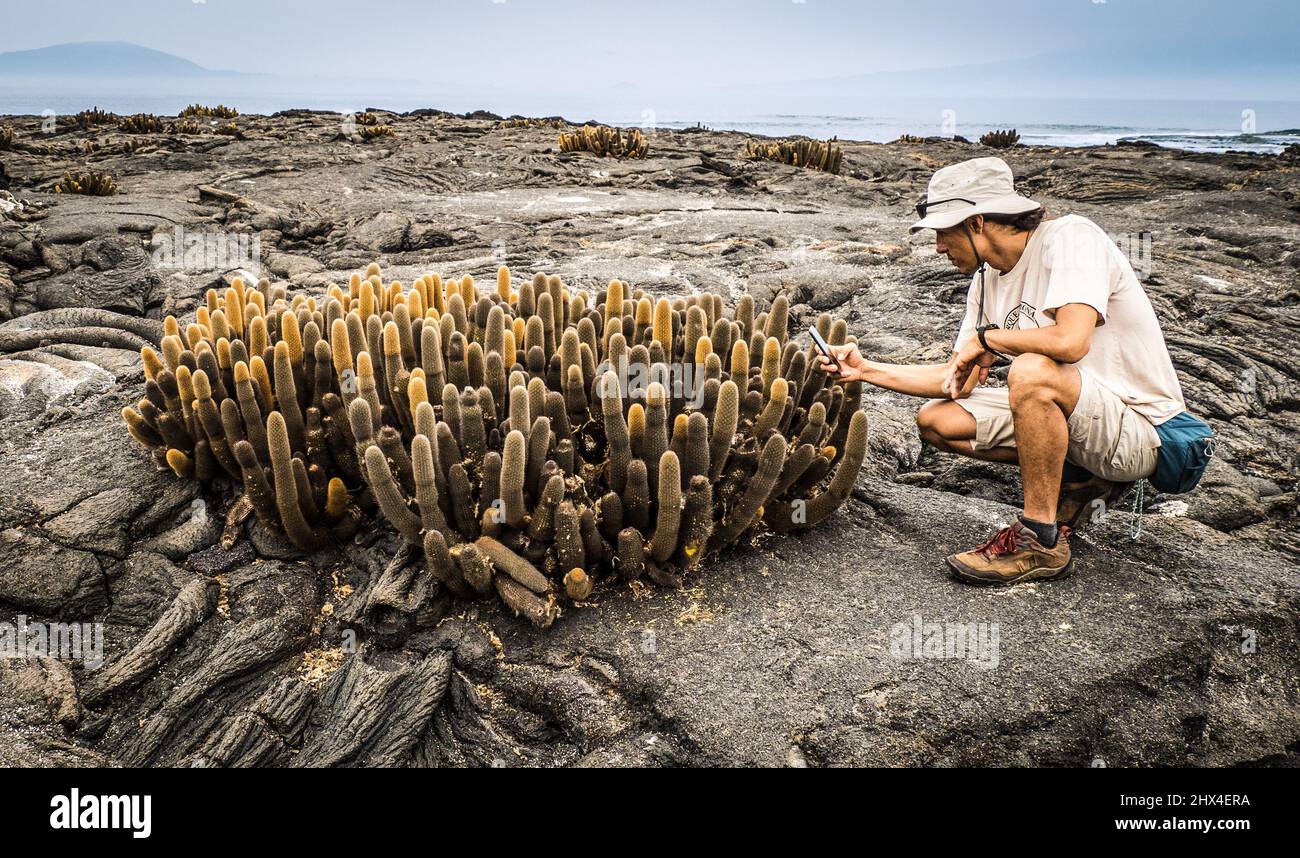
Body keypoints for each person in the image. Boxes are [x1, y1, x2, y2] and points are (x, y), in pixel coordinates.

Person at [818, 156, 1186, 586]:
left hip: (1142, 430)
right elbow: (954, 380)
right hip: (1081, 422)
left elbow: (1071, 341)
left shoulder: (1070, 239)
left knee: (1031, 371)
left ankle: (1040, 542)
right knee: (938, 420)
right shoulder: (986, 281)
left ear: (976, 223)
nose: (938, 247)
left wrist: (990, 339)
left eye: (943, 232)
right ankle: (1084, 480)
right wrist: (865, 370)